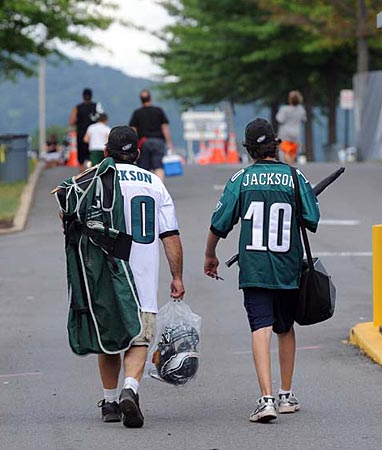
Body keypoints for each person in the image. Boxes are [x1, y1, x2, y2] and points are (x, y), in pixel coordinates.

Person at [203, 118, 319, 423]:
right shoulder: (295, 177)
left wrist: (210, 254)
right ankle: (286, 394)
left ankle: (265, 399)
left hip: (254, 268)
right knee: (285, 327)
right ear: (276, 146)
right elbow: (312, 218)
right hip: (287, 266)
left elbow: (219, 224)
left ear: (249, 149)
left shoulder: (240, 179)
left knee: (260, 328)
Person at [97, 126, 185, 428]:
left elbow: (65, 212)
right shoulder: (154, 184)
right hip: (142, 279)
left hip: (105, 276)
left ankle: (109, 401)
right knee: (139, 337)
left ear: (107, 152)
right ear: (137, 153)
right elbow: (170, 235)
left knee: (108, 340)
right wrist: (177, 276)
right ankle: (130, 388)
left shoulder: (94, 179)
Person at [129, 89, 174, 181]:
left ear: (141, 100)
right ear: (150, 98)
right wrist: (169, 143)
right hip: (158, 141)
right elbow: (165, 128)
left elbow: (133, 129)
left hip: (143, 142)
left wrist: (134, 144)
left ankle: (146, 187)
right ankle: (159, 187)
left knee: (144, 167)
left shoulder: (137, 113)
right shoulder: (158, 111)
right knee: (158, 166)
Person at [69, 88, 100, 170]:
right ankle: (92, 175)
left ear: (82, 96)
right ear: (91, 96)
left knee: (81, 160)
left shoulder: (77, 108)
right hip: (93, 137)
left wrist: (79, 120)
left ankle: (82, 177)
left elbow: (71, 121)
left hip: (81, 136)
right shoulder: (96, 106)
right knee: (93, 158)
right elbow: (103, 118)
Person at [276, 90, 307, 164]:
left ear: (290, 99)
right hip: (296, 132)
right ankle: (291, 165)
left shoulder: (284, 109)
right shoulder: (301, 109)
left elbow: (279, 119)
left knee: (285, 151)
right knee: (292, 152)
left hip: (285, 133)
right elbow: (304, 119)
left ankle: (288, 165)